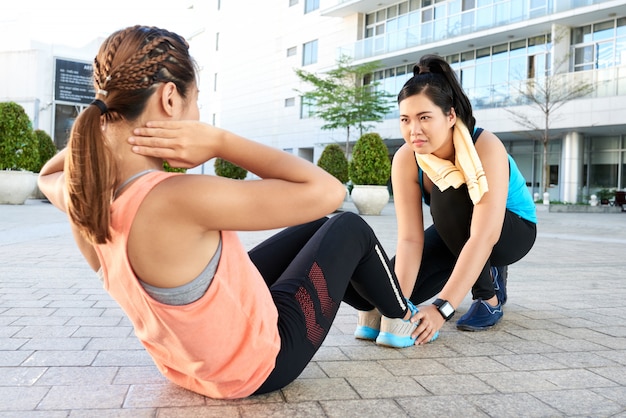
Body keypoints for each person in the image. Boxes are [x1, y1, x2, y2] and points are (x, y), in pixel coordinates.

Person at [37, 25, 427, 400]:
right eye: (196, 101)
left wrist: (107, 129)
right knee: (348, 227)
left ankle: (373, 308)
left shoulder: (83, 200)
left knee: (315, 228)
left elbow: (46, 175)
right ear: (170, 99)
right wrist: (220, 142)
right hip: (261, 366)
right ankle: (399, 317)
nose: (198, 114)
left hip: (189, 368)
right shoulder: (178, 198)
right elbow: (328, 191)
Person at [354, 55, 537, 346]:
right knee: (392, 291)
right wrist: (395, 308)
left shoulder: (485, 145)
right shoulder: (405, 158)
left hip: (509, 231)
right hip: (456, 231)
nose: (414, 130)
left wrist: (442, 308)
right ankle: (406, 298)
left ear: (450, 116)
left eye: (424, 117)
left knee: (448, 191)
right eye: (405, 119)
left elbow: (483, 235)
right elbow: (410, 240)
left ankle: (488, 298)